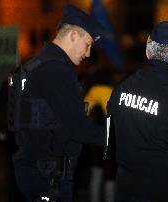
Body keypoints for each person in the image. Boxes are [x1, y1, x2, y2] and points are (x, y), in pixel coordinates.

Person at [7, 4, 105, 202]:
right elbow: (77, 127)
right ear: (73, 36)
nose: (87, 53)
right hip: (48, 176)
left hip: (32, 169)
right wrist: (116, 138)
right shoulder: (57, 71)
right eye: (87, 45)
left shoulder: (35, 64)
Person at [107, 21, 168, 202]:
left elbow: (109, 141)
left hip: (126, 190)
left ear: (148, 50)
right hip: (167, 191)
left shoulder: (121, 88)